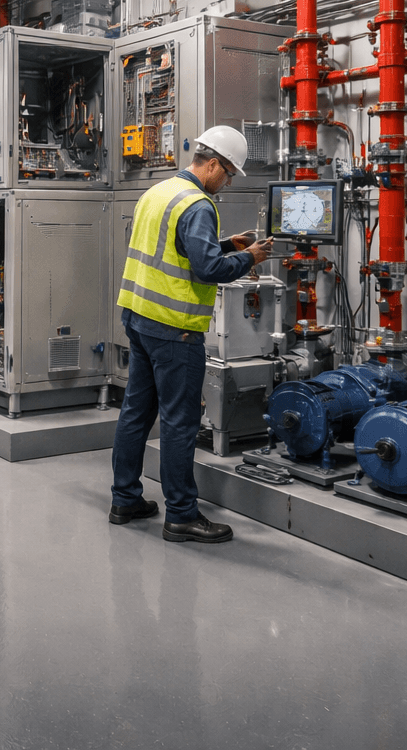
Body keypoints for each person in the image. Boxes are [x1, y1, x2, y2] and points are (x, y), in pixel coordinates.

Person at [109, 125, 274, 544]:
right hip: (174, 328)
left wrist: (221, 244)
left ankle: (125, 498)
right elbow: (206, 270)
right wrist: (246, 257)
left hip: (139, 317)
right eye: (229, 173)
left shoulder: (158, 192)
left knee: (136, 413)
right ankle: (181, 514)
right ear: (213, 164)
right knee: (180, 423)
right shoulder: (199, 204)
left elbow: (173, 248)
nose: (229, 181)